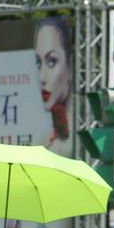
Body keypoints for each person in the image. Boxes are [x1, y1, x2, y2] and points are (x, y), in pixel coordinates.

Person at [35, 16, 73, 156]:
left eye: (51, 62)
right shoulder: (45, 141)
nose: (42, 78)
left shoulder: (88, 135)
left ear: (70, 66)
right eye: (38, 63)